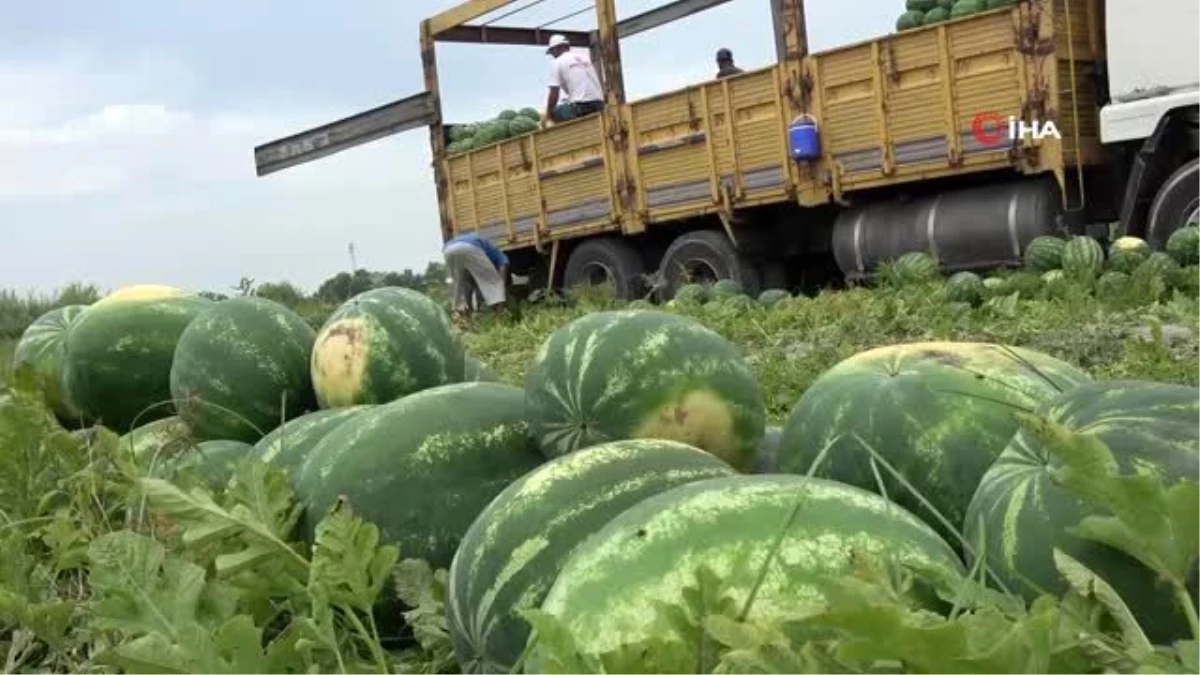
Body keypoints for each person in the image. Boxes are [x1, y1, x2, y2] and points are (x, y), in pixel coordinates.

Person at [542, 34, 605, 125]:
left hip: (580, 108)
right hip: (599, 104)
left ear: (556, 48)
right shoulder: (585, 58)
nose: (552, 55)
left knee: (555, 112)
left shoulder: (557, 62)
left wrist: (548, 115)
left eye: (552, 52)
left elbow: (554, 92)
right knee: (566, 103)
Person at [442, 232, 510, 315]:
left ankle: (464, 318)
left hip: (448, 250)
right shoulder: (499, 254)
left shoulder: (484, 245)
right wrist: (501, 285)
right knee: (495, 283)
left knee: (460, 286)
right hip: (470, 247)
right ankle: (500, 314)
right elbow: (503, 265)